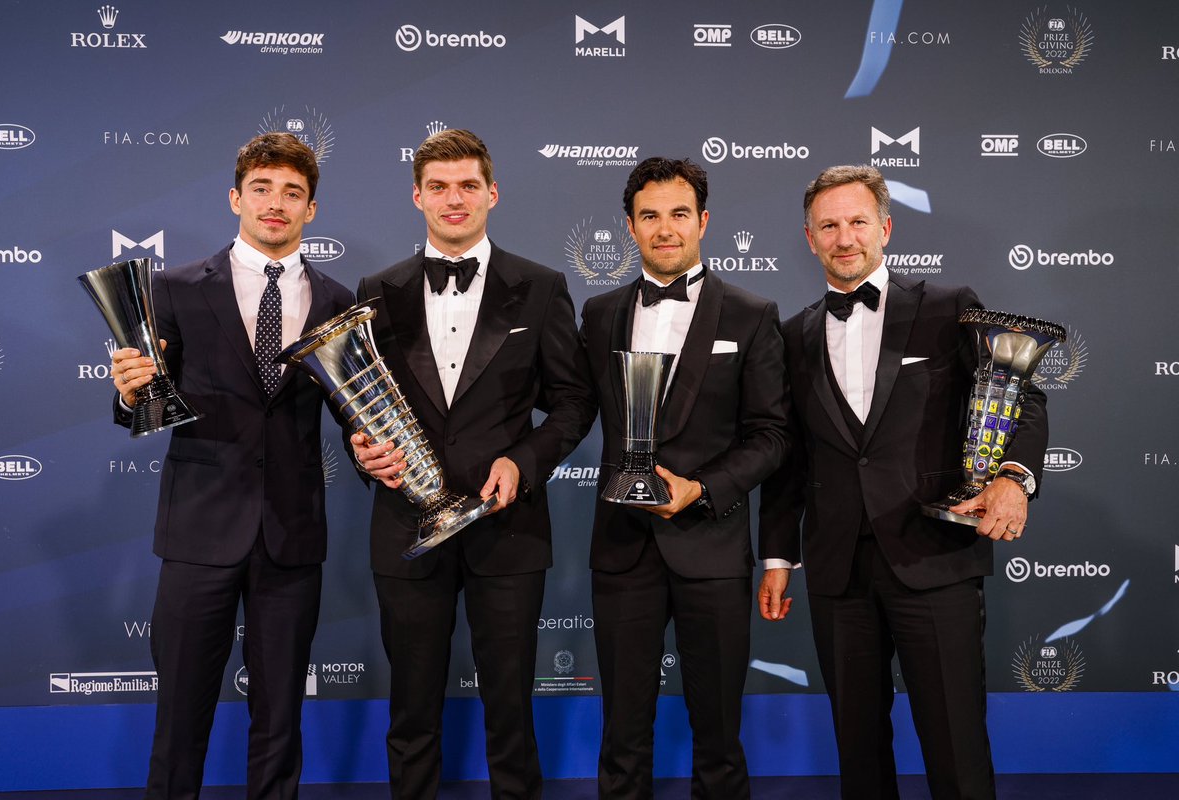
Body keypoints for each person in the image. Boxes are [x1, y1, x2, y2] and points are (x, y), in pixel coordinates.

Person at [758, 165, 1048, 800]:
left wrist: (1014, 479)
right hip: (838, 570)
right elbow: (789, 458)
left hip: (934, 556)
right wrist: (779, 555)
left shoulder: (949, 308)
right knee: (858, 753)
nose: (844, 238)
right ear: (809, 238)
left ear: (885, 228)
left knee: (955, 744)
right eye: (828, 225)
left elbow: (1018, 400)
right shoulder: (792, 335)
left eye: (858, 222)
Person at [349, 128, 595, 800]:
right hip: (406, 525)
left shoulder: (542, 287)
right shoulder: (378, 287)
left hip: (506, 529)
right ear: (417, 197)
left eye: (466, 185)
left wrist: (525, 458)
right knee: (412, 707)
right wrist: (360, 447)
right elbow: (357, 399)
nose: (453, 199)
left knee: (511, 707)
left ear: (492, 192)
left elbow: (574, 403)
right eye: (438, 187)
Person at [109, 132, 355, 799]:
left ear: (311, 210)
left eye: (292, 193)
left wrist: (370, 446)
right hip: (198, 532)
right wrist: (129, 391)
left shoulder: (337, 299)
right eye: (262, 189)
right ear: (235, 198)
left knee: (280, 719)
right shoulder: (175, 288)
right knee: (180, 715)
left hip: (291, 534)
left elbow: (351, 412)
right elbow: (144, 407)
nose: (276, 204)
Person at [579, 157, 792, 799]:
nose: (664, 229)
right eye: (650, 216)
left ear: (704, 221)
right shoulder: (599, 312)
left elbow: (773, 434)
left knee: (720, 736)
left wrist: (702, 489)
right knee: (621, 734)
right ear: (630, 226)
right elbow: (563, 406)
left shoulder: (752, 314)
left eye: (678, 214)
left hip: (713, 544)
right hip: (622, 547)